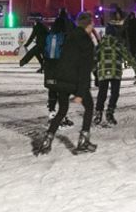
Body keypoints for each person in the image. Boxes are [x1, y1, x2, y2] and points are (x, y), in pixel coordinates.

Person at [37, 11, 97, 155]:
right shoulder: (87, 42)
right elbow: (84, 69)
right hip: (75, 81)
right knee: (89, 107)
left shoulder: (68, 36)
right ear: (89, 25)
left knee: (62, 110)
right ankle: (83, 140)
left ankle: (47, 139)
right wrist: (81, 93)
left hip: (61, 80)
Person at [94, 14, 130, 125]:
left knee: (102, 93)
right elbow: (128, 56)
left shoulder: (101, 45)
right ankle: (110, 112)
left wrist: (94, 71)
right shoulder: (119, 44)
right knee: (115, 93)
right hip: (116, 72)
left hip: (103, 72)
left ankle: (99, 113)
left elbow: (95, 58)